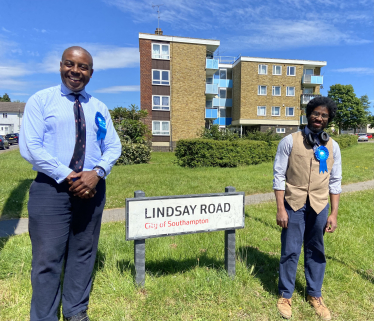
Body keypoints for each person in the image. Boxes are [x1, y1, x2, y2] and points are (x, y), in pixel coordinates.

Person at [20, 46, 121, 321]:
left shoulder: (98, 107)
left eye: (83, 67)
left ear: (90, 72)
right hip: (51, 189)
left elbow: (112, 146)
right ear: (61, 65)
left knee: (84, 254)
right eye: (70, 64)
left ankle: (76, 312)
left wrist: (97, 172)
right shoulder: (41, 101)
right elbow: (30, 147)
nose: (75, 71)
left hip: (92, 188)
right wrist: (69, 175)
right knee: (47, 259)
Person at [273, 96, 341, 320]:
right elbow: (279, 176)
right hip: (293, 203)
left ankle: (314, 294)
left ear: (328, 120)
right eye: (316, 113)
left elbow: (335, 181)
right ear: (308, 113)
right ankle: (285, 294)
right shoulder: (289, 141)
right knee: (290, 250)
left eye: (324, 115)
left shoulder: (333, 146)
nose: (319, 118)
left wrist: (333, 213)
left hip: (320, 205)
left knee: (316, 250)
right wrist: (281, 209)